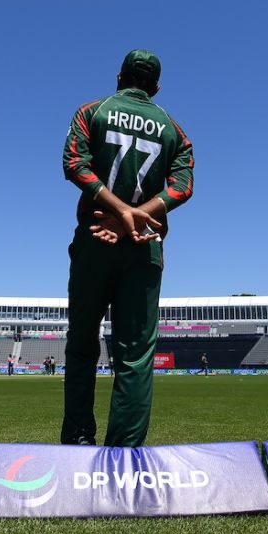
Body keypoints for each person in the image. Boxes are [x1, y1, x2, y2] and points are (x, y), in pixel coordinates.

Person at [61, 49, 194, 447]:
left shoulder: (92, 111)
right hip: (145, 247)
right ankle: (124, 453)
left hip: (95, 240)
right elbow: (181, 186)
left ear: (119, 77)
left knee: (82, 344)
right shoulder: (174, 129)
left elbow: (75, 165)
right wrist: (137, 217)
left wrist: (118, 213)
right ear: (155, 87)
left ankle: (78, 442)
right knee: (135, 356)